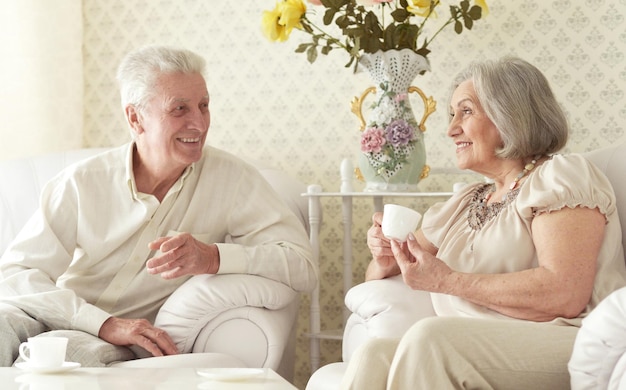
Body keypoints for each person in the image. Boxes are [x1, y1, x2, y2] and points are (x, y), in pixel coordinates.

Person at [0, 45, 316, 366]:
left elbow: (302, 267)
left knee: (63, 358)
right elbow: (16, 271)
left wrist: (212, 257)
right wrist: (102, 323)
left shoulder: (233, 180)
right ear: (136, 118)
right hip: (59, 311)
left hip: (119, 338)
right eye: (179, 109)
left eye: (203, 106)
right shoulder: (82, 181)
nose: (199, 123)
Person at [341, 56, 626, 389]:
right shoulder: (464, 203)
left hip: (569, 340)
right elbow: (381, 274)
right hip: (471, 346)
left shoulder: (560, 176)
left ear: (510, 115)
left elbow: (564, 293)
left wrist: (448, 281)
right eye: (452, 115)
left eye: (466, 111)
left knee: (430, 339)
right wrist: (384, 258)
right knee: (373, 354)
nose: (450, 129)